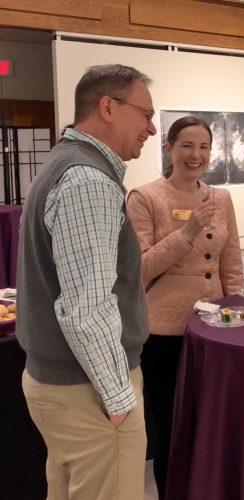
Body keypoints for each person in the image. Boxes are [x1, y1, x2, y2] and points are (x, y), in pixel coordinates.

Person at [16, 64, 156, 499]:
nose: (151, 128)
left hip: (65, 384)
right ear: (108, 107)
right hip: (88, 391)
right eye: (145, 114)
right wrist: (117, 402)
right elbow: (87, 309)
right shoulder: (88, 180)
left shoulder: (65, 164)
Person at [126, 116, 244, 499]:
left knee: (215, 425)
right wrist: (188, 231)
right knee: (172, 430)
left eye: (204, 147)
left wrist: (239, 313)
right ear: (169, 149)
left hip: (216, 329)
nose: (196, 155)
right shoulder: (145, 198)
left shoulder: (221, 198)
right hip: (164, 334)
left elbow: (232, 263)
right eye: (187, 146)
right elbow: (140, 269)